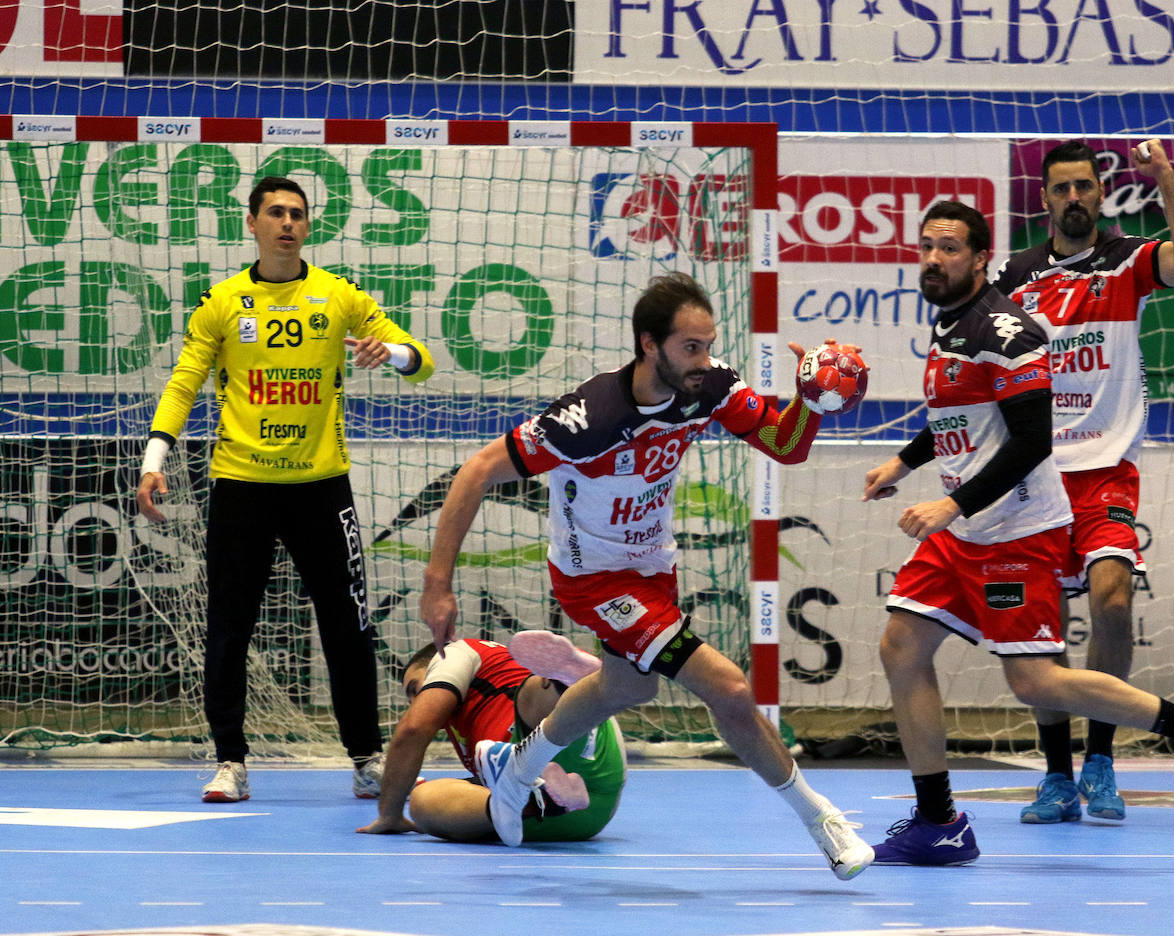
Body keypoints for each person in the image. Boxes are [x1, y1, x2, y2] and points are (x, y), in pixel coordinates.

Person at [420, 271, 874, 880]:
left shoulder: (706, 386)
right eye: (690, 346)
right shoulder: (590, 418)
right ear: (649, 344)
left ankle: (518, 766)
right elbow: (477, 471)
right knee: (731, 688)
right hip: (594, 580)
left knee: (627, 689)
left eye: (708, 344)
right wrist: (438, 581)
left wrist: (810, 403)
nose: (704, 359)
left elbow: (784, 443)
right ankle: (823, 822)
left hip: (652, 566)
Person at [862, 201, 1174, 867]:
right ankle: (938, 822)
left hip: (1014, 531)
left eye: (950, 248)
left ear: (982, 259)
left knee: (1036, 683)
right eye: (927, 246)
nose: (934, 259)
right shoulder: (951, 323)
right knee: (901, 646)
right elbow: (964, 420)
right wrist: (904, 462)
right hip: (969, 530)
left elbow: (1031, 440)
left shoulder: (1009, 333)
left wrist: (948, 508)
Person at [136, 176, 436, 803]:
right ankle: (230, 763)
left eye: (297, 214)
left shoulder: (338, 295)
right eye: (274, 213)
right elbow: (184, 383)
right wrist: (154, 457)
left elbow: (420, 357)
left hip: (321, 489)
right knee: (228, 628)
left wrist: (395, 354)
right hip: (242, 487)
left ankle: (364, 758)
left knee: (348, 626)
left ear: (308, 226)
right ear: (251, 223)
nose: (287, 223)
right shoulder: (221, 302)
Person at [990, 140, 1174, 823]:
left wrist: (1168, 178)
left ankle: (1102, 760)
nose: (1075, 198)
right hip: (1032, 473)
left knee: (1112, 601)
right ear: (1046, 199)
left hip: (1106, 472)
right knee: (1041, 628)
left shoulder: (1127, 261)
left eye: (1085, 186)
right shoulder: (1012, 277)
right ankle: (1056, 775)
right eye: (1062, 189)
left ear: (1101, 194)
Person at [357, 631, 625, 842]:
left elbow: (414, 728)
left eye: (416, 688)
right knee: (423, 800)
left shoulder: (454, 652)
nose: (417, 700)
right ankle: (539, 799)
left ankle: (563, 683)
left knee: (528, 696)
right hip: (582, 816)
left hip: (576, 736)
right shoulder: (463, 728)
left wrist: (389, 815)